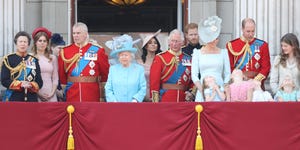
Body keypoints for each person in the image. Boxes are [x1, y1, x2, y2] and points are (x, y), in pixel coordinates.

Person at [58, 22, 110, 102]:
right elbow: (62, 75)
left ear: (85, 34)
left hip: (91, 93)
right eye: (74, 33)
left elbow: (104, 73)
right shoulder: (65, 51)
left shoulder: (97, 50)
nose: (75, 35)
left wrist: (102, 93)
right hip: (72, 93)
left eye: (78, 33)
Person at [191, 16, 231, 102]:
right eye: (212, 38)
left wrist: (224, 88)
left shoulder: (224, 52)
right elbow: (194, 75)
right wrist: (202, 90)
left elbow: (227, 73)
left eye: (216, 38)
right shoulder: (197, 53)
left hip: (219, 89)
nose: (215, 41)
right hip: (203, 88)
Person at [149, 29, 194, 102]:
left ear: (182, 42)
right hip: (166, 98)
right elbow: (154, 82)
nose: (174, 44)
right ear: (168, 42)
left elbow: (193, 80)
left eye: (177, 41)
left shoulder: (189, 59)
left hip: (183, 99)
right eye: (172, 41)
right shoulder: (160, 58)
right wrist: (155, 102)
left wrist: (191, 93)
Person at [226, 18, 271, 89]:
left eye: (253, 31)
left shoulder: (262, 45)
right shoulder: (232, 45)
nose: (251, 34)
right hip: (238, 84)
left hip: (256, 84)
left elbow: (266, 67)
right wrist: (239, 79)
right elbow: (230, 67)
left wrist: (256, 80)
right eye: (248, 31)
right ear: (242, 29)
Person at [1, 31, 43, 102]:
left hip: (31, 99)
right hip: (13, 97)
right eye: (20, 42)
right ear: (16, 43)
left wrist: (31, 85)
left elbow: (39, 82)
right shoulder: (8, 59)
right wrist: (20, 84)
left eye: (25, 42)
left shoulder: (34, 60)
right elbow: (4, 80)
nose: (22, 44)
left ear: (28, 44)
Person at [105, 34, 146, 102]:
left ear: (131, 56)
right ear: (118, 57)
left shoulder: (139, 69)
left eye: (126, 55)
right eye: (121, 55)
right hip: (116, 105)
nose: (124, 57)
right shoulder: (113, 69)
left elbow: (143, 88)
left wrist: (136, 99)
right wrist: (113, 101)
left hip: (134, 105)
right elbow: (108, 88)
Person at [31, 27, 59, 102]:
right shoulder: (30, 58)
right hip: (35, 93)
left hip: (50, 92)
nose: (42, 43)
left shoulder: (52, 58)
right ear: (35, 42)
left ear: (47, 43)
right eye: (40, 41)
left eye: (44, 41)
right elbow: (29, 79)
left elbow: (55, 78)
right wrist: (39, 93)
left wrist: (52, 93)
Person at [137, 29, 162, 102]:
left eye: (155, 43)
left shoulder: (161, 61)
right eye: (150, 43)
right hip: (142, 97)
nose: (153, 44)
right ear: (145, 46)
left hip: (157, 97)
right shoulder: (138, 63)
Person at [50, 33, 66, 101]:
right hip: (50, 92)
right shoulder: (48, 61)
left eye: (63, 48)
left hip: (63, 93)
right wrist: (56, 91)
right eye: (59, 48)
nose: (61, 50)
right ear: (52, 48)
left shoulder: (65, 60)